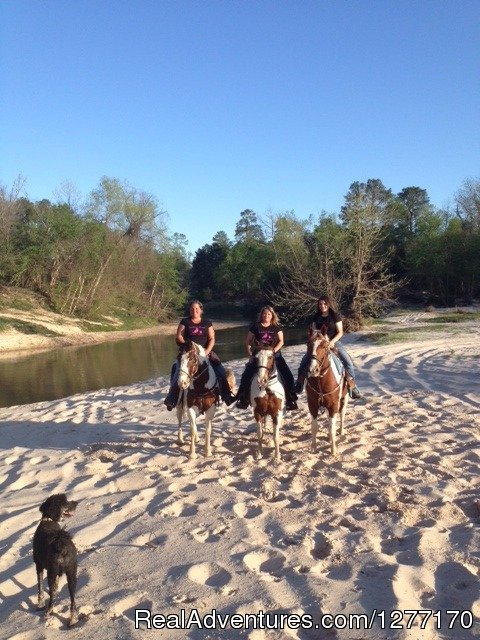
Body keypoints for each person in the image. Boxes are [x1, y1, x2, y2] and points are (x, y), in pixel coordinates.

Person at [163, 300, 235, 410]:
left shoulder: (207, 322)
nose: (194, 311)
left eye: (196, 309)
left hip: (205, 352)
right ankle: (172, 398)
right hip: (188, 353)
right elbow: (179, 337)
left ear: (201, 310)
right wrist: (186, 344)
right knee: (176, 369)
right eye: (192, 309)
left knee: (220, 369)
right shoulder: (185, 322)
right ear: (189, 310)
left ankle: (226, 395)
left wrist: (206, 352)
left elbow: (212, 338)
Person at [295, 295, 361, 399]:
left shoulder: (335, 316)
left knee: (348, 362)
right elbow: (313, 332)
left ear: (328, 304)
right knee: (304, 361)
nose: (322, 306)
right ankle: (299, 383)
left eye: (324, 304)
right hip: (319, 344)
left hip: (333, 342)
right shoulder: (316, 317)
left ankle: (352, 385)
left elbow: (340, 332)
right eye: (320, 304)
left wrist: (332, 342)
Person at [235, 305, 298, 411]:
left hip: (274, 355)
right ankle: (243, 398)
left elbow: (281, 341)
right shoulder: (256, 326)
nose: (266, 316)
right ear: (261, 315)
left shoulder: (276, 327)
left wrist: (274, 351)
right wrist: (250, 355)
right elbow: (247, 341)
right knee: (246, 375)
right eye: (264, 314)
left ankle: (291, 399)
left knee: (288, 375)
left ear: (272, 315)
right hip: (259, 355)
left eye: (269, 314)